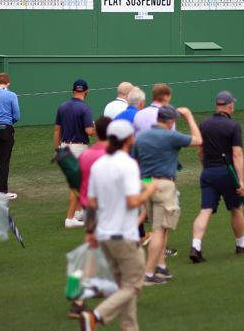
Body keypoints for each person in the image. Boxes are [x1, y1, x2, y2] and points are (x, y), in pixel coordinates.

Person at [78, 120, 158, 331]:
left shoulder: (99, 165)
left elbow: (91, 203)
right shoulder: (128, 164)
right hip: (124, 236)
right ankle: (95, 315)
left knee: (123, 287)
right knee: (133, 285)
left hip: (104, 235)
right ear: (129, 138)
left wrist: (89, 231)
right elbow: (132, 201)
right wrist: (149, 191)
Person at [132, 104, 202, 285]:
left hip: (146, 183)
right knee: (159, 231)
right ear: (170, 121)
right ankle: (148, 273)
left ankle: (161, 267)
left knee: (156, 228)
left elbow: (134, 160)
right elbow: (197, 140)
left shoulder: (142, 137)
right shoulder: (171, 136)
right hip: (164, 184)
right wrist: (189, 117)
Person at [189, 91, 244, 263]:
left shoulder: (203, 124)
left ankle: (196, 246)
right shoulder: (234, 126)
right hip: (228, 174)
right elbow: (237, 154)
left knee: (205, 210)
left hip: (208, 172)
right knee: (236, 209)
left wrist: (207, 169)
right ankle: (241, 245)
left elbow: (200, 152)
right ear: (229, 106)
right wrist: (241, 181)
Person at [68, 116, 113, 319]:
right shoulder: (111, 155)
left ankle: (95, 288)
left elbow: (76, 185)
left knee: (95, 250)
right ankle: (78, 299)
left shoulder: (86, 155)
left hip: (89, 209)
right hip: (106, 209)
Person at [55, 79, 96, 228]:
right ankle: (70, 218)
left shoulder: (63, 106)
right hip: (79, 148)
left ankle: (78, 212)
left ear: (73, 90)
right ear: (86, 91)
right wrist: (99, 129)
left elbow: (57, 130)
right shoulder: (85, 109)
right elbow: (89, 131)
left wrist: (57, 149)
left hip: (64, 147)